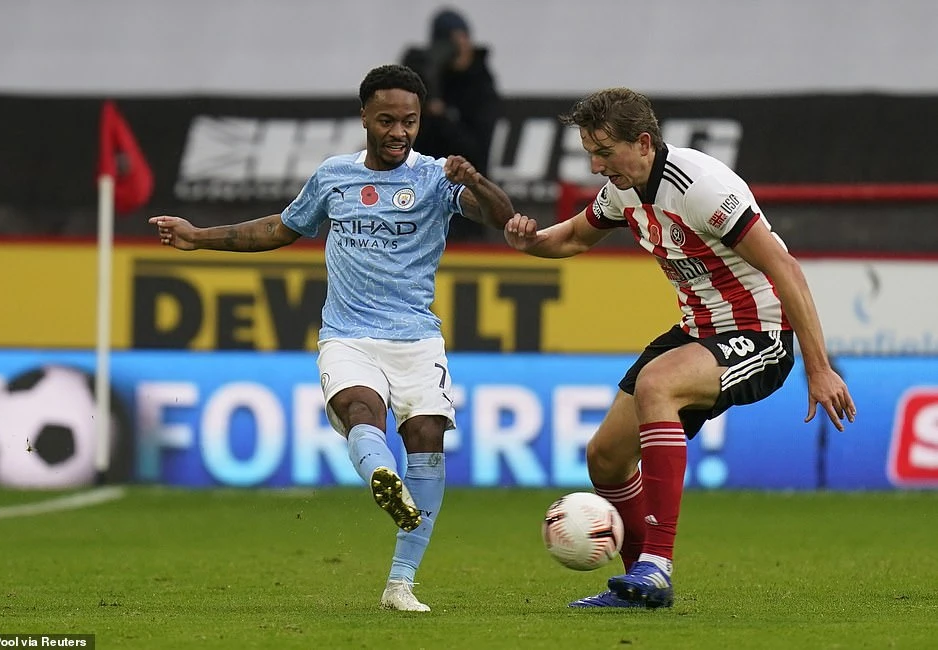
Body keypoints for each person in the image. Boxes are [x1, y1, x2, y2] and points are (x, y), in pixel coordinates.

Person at [149, 64, 514, 612]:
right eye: (387, 120)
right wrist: (198, 237)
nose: (399, 132)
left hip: (417, 340)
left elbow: (503, 219)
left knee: (426, 437)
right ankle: (383, 476)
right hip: (348, 336)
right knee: (360, 410)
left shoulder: (437, 177)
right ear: (364, 116)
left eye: (409, 121)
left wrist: (476, 180)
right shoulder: (334, 176)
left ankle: (400, 584)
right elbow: (278, 229)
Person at [504, 87, 856, 609]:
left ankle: (657, 565)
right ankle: (638, 585)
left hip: (761, 331)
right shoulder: (623, 189)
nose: (596, 166)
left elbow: (784, 267)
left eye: (604, 152)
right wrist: (530, 242)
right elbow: (574, 237)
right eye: (590, 153)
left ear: (644, 143)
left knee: (658, 383)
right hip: (698, 331)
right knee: (605, 458)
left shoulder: (700, 186)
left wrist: (819, 367)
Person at [401, 8, 501, 241]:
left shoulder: (480, 84)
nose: (458, 48)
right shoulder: (428, 78)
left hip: (465, 201)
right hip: (422, 200)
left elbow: (476, 149)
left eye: (461, 39)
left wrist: (443, 117)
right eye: (450, 42)